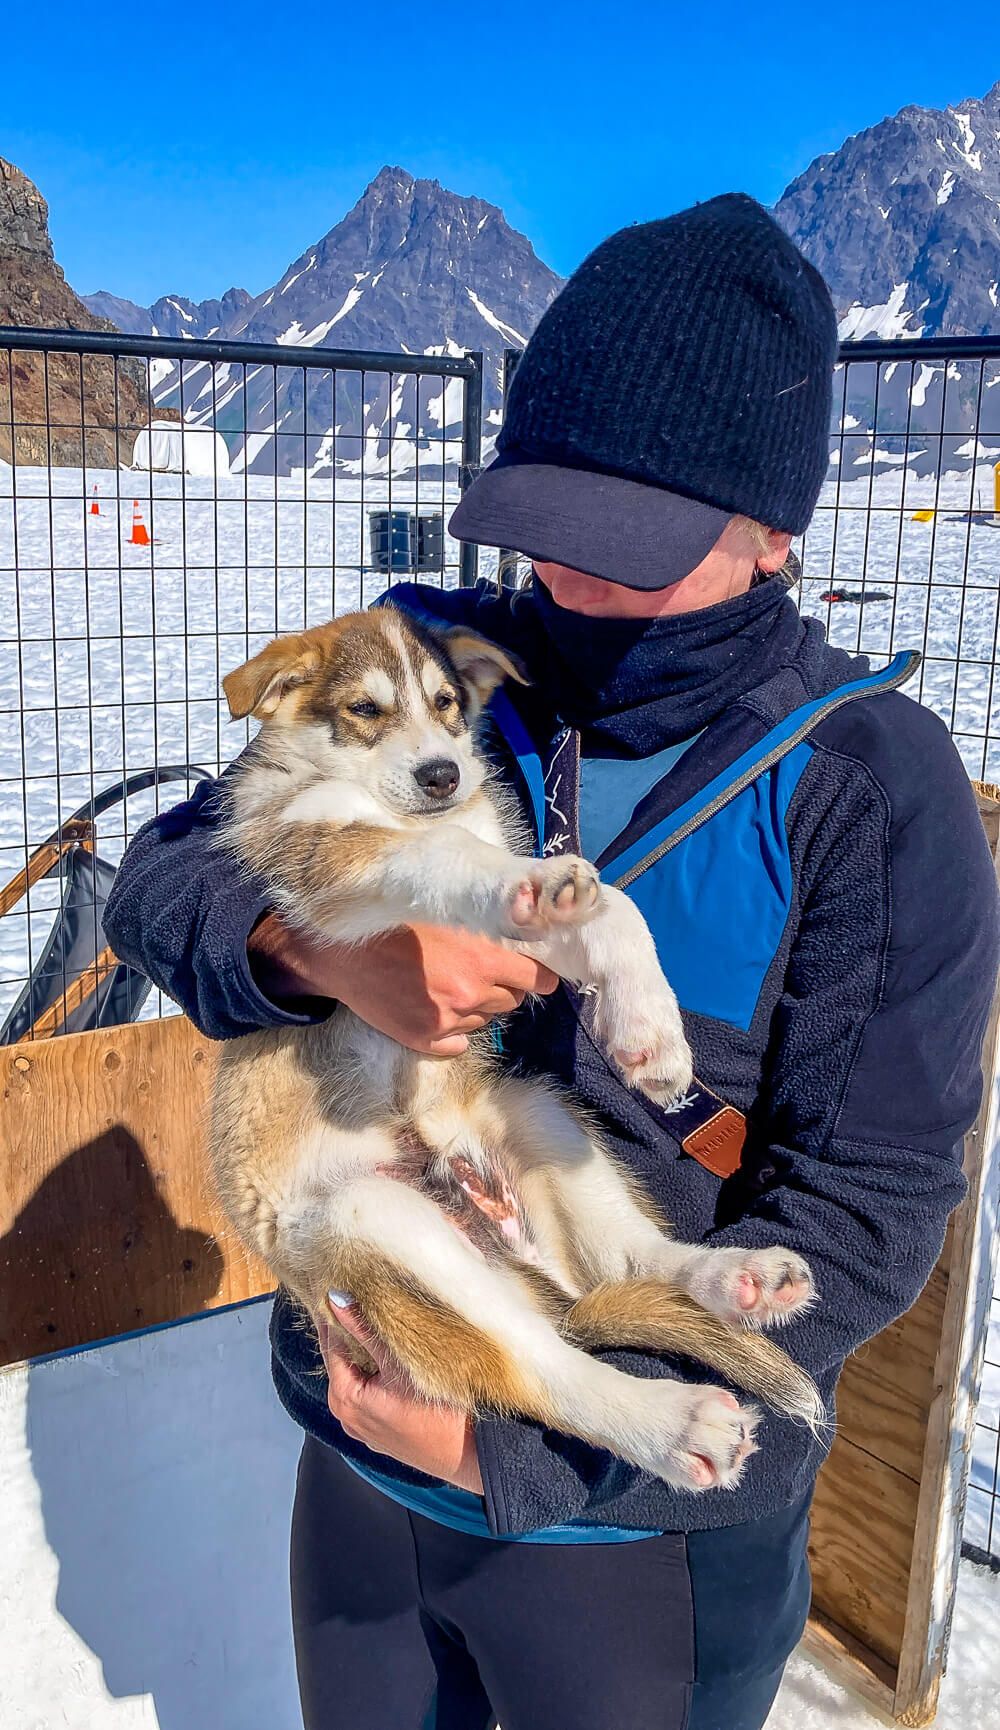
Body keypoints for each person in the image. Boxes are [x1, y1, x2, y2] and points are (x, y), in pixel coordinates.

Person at [104, 194, 1000, 1730]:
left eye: (627, 544)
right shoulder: (438, 662)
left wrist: (515, 1447)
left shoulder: (872, 786)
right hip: (364, 1446)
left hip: (633, 1542)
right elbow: (162, 877)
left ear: (776, 527)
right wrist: (315, 953)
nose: (567, 583)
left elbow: (860, 1219)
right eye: (547, 525)